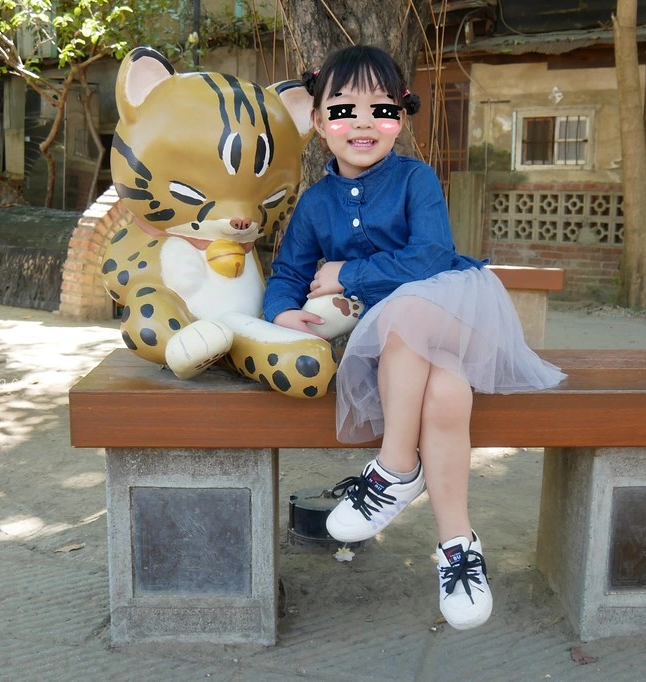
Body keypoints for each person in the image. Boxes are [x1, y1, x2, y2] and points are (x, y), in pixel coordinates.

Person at [263, 44, 566, 630]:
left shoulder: (415, 178)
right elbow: (289, 274)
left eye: (382, 109)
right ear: (320, 122)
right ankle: (459, 547)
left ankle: (396, 469)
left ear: (400, 119)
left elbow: (429, 257)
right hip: (403, 357)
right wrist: (282, 313)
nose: (364, 123)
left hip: (455, 311)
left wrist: (348, 274)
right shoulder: (315, 203)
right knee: (448, 395)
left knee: (405, 313)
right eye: (345, 110)